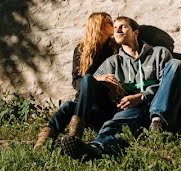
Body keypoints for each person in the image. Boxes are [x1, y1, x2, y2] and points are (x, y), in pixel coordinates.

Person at [61, 16, 181, 160]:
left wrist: (141, 96)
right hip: (132, 110)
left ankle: (158, 125)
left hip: (158, 106)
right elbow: (91, 84)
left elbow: (168, 83)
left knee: (177, 64)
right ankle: (94, 149)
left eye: (123, 26)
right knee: (115, 123)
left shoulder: (159, 53)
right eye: (115, 28)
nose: (118, 30)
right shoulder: (112, 62)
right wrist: (109, 86)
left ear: (136, 32)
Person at [33, 12, 122, 150]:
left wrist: (101, 81)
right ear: (99, 26)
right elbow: (76, 82)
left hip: (104, 105)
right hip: (85, 105)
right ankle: (43, 142)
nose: (114, 25)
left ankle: (75, 135)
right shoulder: (81, 50)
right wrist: (97, 78)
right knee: (70, 104)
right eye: (109, 23)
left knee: (73, 100)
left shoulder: (114, 48)